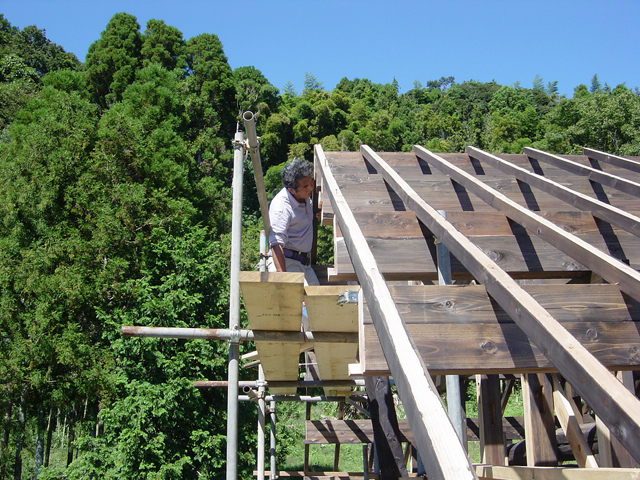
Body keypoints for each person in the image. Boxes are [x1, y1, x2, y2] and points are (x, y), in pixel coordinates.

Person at [267, 158, 320, 286]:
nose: (311, 187)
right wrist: (284, 278)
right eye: (305, 186)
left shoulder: (305, 198)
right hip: (287, 263)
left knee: (318, 297)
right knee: (300, 299)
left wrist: (317, 212)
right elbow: (276, 244)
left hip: (304, 264)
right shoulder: (281, 207)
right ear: (292, 190)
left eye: (311, 182)